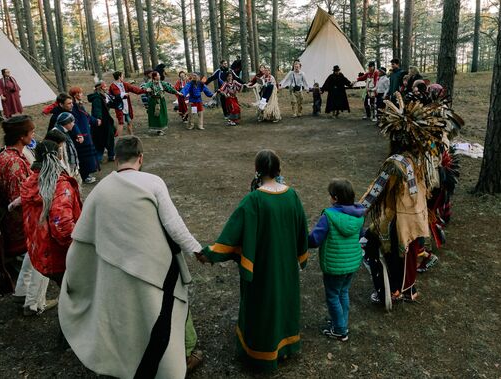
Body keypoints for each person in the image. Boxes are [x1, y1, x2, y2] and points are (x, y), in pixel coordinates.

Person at [59, 135, 203, 378]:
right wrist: (198, 251)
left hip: (115, 271)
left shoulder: (101, 188)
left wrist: (74, 275)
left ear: (116, 159)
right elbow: (174, 225)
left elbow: (83, 236)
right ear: (141, 158)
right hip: (154, 268)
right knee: (162, 315)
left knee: (127, 319)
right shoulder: (153, 182)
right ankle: (176, 361)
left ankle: (123, 365)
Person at [197, 150, 308, 371]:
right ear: (279, 170)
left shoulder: (254, 200)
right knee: (283, 303)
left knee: (263, 306)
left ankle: (263, 354)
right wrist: (299, 256)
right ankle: (284, 348)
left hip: (263, 269)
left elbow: (233, 235)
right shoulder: (292, 196)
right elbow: (301, 231)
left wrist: (209, 253)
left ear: (256, 170)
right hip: (285, 267)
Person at [359, 92, 460, 309]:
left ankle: (392, 291)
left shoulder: (396, 162)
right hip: (416, 213)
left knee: (383, 250)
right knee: (409, 253)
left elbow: (376, 190)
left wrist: (356, 209)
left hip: (398, 217)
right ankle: (407, 290)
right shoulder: (421, 157)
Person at [308, 179, 365, 342]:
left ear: (335, 198)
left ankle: (340, 330)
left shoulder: (329, 216)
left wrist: (301, 240)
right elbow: (360, 235)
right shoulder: (359, 215)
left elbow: (315, 240)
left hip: (334, 265)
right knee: (343, 292)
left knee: (333, 295)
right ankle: (341, 322)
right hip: (352, 263)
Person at [21, 139, 82, 287]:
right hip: (60, 257)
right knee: (75, 295)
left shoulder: (31, 182)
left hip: (41, 252)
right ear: (57, 157)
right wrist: (81, 249)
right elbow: (62, 226)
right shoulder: (59, 186)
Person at [0, 116, 35, 293]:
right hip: (19, 222)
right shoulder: (14, 162)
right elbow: (19, 199)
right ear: (21, 136)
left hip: (11, 220)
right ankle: (27, 298)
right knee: (26, 263)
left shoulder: (3, 154)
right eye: (31, 132)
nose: (33, 136)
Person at [69, 87, 100, 183]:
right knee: (84, 157)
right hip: (82, 135)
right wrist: (79, 134)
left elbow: (87, 116)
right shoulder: (74, 108)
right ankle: (84, 176)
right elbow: (75, 122)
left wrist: (95, 121)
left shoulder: (79, 105)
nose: (82, 94)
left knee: (88, 156)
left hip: (86, 133)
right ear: (76, 95)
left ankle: (87, 174)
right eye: (80, 93)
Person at [141, 71, 184, 136]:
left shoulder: (162, 83)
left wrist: (177, 93)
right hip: (153, 101)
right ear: (155, 77)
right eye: (158, 75)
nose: (159, 76)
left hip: (161, 101)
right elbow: (144, 87)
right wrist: (147, 89)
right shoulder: (150, 83)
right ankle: (156, 128)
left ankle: (161, 129)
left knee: (161, 114)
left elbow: (170, 89)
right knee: (155, 115)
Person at [109, 71, 146, 135]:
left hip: (127, 107)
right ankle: (117, 139)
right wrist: (124, 95)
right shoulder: (113, 86)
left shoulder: (124, 84)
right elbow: (117, 94)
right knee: (121, 123)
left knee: (129, 121)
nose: (123, 77)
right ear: (119, 77)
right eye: (122, 76)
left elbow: (134, 89)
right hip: (119, 107)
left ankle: (131, 136)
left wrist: (144, 90)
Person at [87, 81, 116, 163]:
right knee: (100, 142)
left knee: (109, 139)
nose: (106, 87)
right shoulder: (97, 98)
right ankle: (97, 160)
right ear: (101, 88)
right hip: (101, 123)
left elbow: (108, 105)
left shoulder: (102, 96)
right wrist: (98, 118)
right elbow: (97, 109)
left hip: (106, 121)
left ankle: (111, 155)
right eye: (105, 86)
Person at [50, 112, 82, 183]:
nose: (73, 125)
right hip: (65, 171)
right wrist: (65, 171)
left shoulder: (64, 131)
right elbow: (58, 157)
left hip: (71, 168)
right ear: (66, 123)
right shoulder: (56, 135)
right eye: (72, 122)